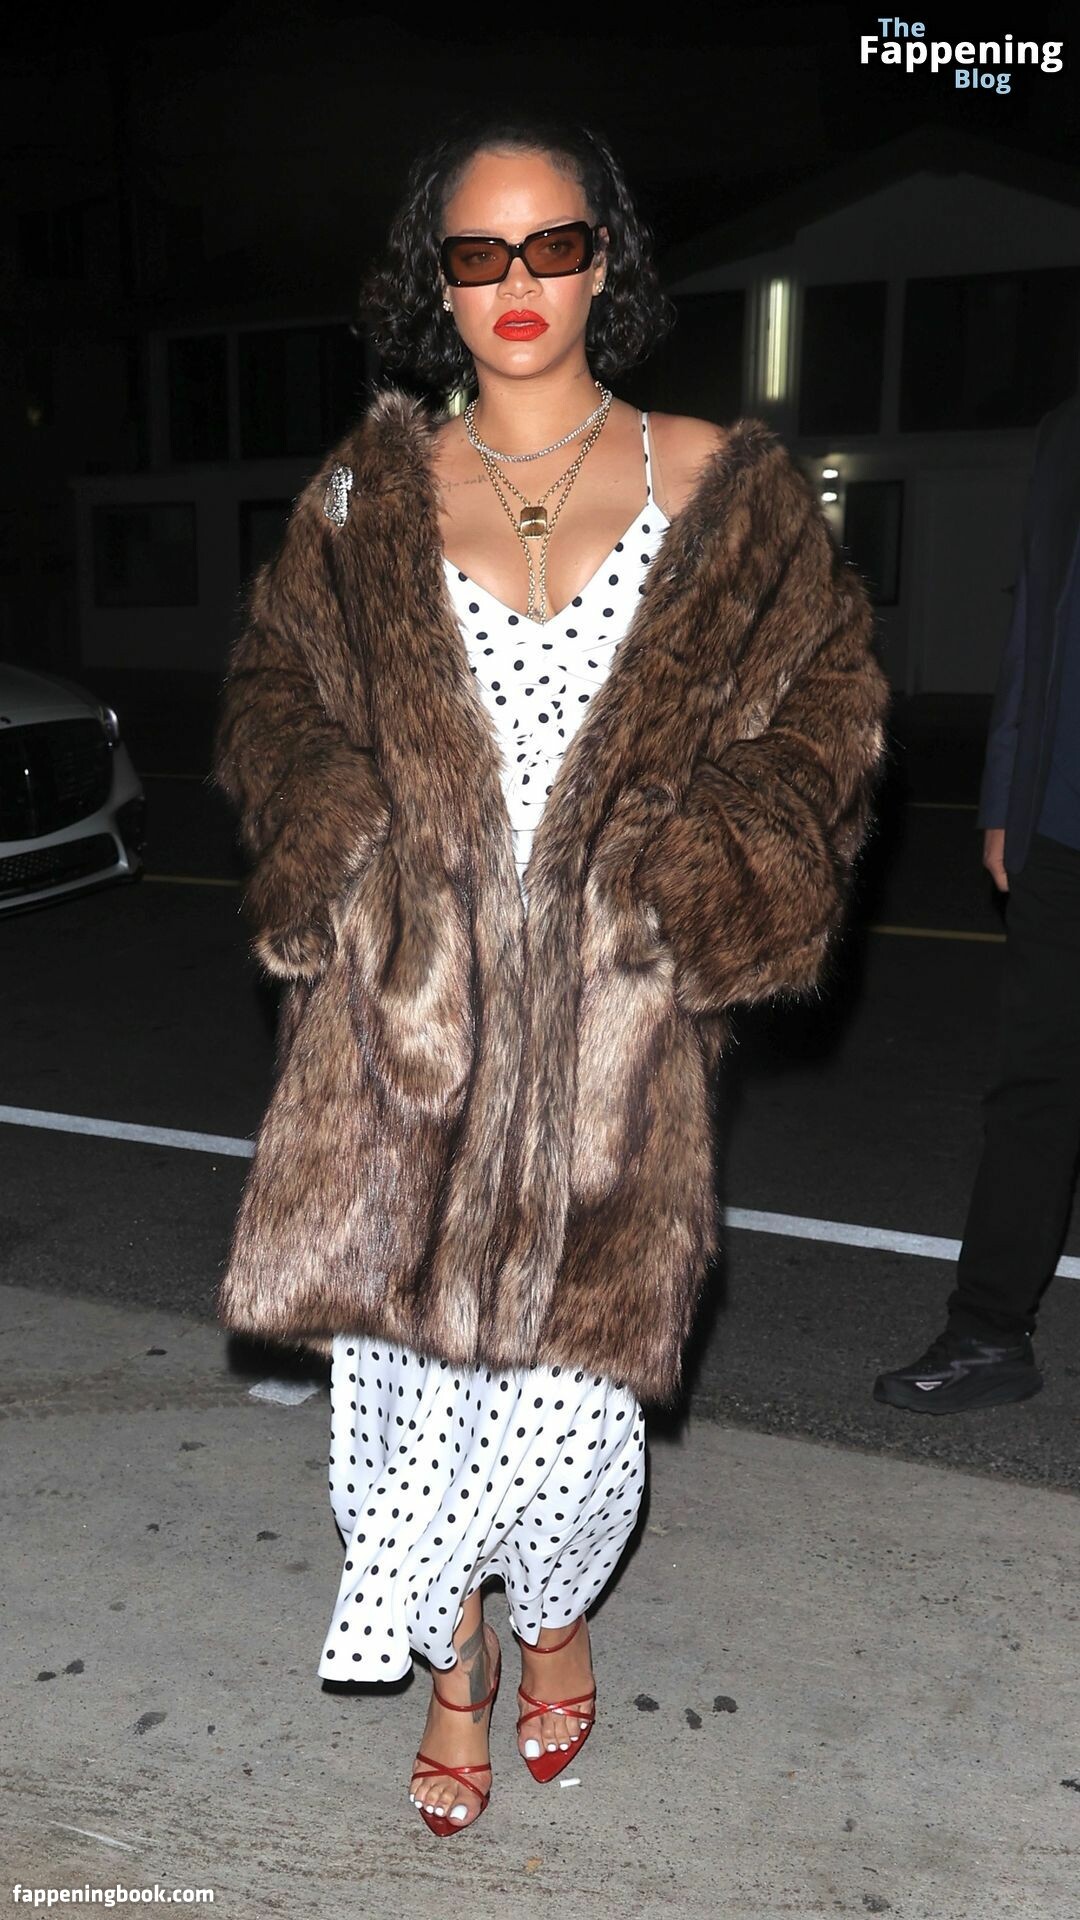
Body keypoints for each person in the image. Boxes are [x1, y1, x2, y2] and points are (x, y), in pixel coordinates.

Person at [212, 115, 888, 1837]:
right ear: (435, 284)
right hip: (404, 1029)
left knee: (572, 1416)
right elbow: (277, 697)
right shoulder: (362, 497)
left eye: (553, 244)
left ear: (606, 261)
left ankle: (559, 1614)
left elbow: (824, 718)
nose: (517, 282)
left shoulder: (719, 485)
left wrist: (694, 874)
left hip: (612, 1030)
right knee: (401, 1407)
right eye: (476, 253)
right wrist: (347, 843)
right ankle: (455, 1671)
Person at [875, 391, 1080, 1415]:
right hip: (1063, 822)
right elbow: (1036, 621)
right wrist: (1006, 795)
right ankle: (989, 1333)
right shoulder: (1068, 430)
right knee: (1034, 1091)